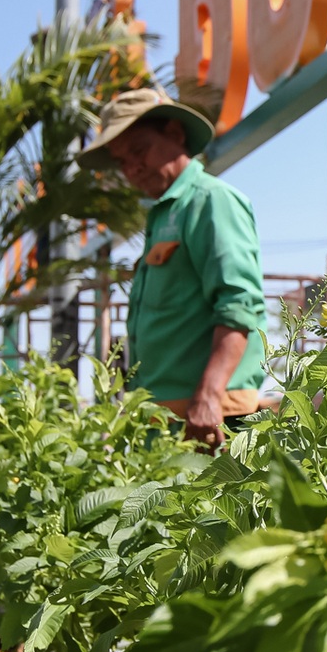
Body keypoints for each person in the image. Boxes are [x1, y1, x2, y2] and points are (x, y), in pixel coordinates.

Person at [78, 87, 268, 450]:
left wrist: (209, 396)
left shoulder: (210, 201)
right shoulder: (164, 214)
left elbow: (239, 305)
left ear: (175, 135)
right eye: (121, 162)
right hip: (166, 421)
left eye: (138, 150)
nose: (131, 168)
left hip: (209, 420)